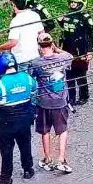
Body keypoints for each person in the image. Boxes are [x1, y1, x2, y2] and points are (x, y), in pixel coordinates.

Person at [0, 52, 37, 184]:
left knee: (6, 148)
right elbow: (33, 90)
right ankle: (28, 170)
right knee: (25, 144)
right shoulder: (27, 77)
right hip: (25, 117)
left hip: (6, 120)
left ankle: (6, 176)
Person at [30, 33, 74, 174]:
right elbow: (70, 56)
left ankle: (48, 159)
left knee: (45, 131)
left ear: (39, 46)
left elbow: (32, 76)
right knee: (62, 130)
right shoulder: (63, 58)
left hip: (44, 102)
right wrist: (57, 50)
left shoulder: (36, 63)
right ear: (52, 44)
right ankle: (61, 159)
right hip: (60, 101)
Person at [0, 0, 45, 74]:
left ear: (14, 5)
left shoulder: (16, 20)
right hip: (35, 56)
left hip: (21, 58)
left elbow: (13, 42)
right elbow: (42, 33)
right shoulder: (35, 15)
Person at [58, 0, 93, 107]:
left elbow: (90, 35)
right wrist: (60, 21)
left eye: (74, 2)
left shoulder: (85, 17)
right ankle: (71, 97)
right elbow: (65, 28)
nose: (72, 4)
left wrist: (89, 51)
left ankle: (84, 96)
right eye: (70, 2)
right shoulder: (67, 15)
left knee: (80, 75)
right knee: (69, 75)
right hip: (67, 48)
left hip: (80, 49)